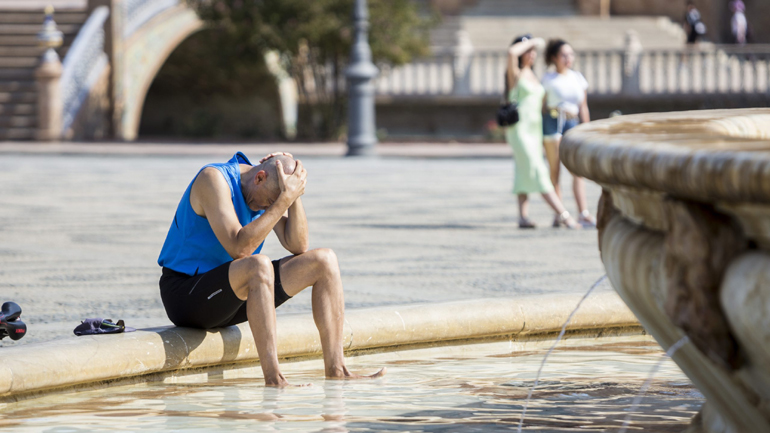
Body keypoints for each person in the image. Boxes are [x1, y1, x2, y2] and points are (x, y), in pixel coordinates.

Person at [157, 151, 385, 387]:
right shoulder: (213, 179)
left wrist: (294, 193)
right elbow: (240, 248)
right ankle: (274, 379)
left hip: (231, 296)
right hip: (186, 296)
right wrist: (283, 200)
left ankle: (337, 370)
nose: (266, 208)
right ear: (259, 177)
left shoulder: (266, 190)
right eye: (269, 202)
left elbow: (298, 244)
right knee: (258, 264)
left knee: (325, 261)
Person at [505, 35, 580, 229]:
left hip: (535, 129)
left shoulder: (535, 75)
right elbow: (511, 52)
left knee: (523, 170)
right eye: (527, 51)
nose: (531, 54)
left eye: (533, 52)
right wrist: (532, 41)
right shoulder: (516, 73)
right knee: (538, 171)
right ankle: (564, 215)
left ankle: (523, 217)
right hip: (520, 130)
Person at [541, 39, 597, 229]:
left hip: (572, 122)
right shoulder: (548, 79)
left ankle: (583, 212)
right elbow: (542, 106)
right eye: (564, 55)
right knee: (555, 170)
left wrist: (587, 129)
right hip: (553, 120)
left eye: (570, 54)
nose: (568, 58)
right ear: (555, 58)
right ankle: (560, 214)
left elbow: (583, 106)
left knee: (576, 170)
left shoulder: (577, 77)